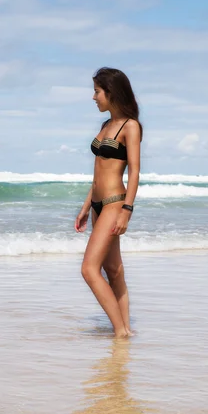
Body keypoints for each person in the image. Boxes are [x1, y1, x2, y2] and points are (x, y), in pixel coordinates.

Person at [75, 67, 142, 338]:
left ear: (111, 92)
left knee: (89, 269)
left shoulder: (130, 126)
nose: (94, 97)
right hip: (97, 205)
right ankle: (126, 329)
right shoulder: (105, 126)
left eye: (97, 91)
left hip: (115, 204)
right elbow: (97, 172)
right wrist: (85, 207)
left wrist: (127, 209)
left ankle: (120, 332)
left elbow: (135, 171)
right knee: (113, 270)